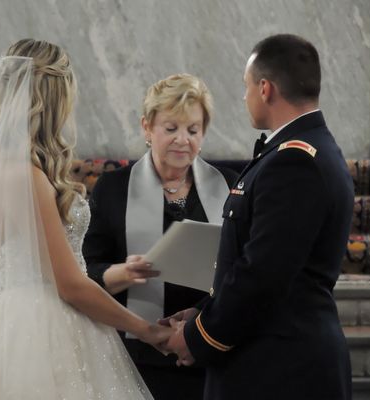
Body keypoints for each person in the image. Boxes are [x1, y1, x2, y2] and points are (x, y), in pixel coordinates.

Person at [0, 39, 171, 400]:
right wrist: (146, 330)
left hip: (13, 321)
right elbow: (69, 284)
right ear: (56, 97)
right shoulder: (28, 176)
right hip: (47, 330)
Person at [164, 34, 354, 400]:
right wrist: (203, 313)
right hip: (278, 358)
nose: (244, 96)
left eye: (246, 86)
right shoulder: (302, 151)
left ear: (265, 88)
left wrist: (198, 338)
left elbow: (262, 275)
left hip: (279, 368)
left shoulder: (294, 162)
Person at [83, 74, 238, 400]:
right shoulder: (113, 189)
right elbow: (85, 273)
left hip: (210, 349)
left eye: (193, 130)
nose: (183, 140)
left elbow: (241, 269)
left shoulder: (229, 185)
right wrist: (121, 274)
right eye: (171, 128)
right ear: (147, 128)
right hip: (137, 359)